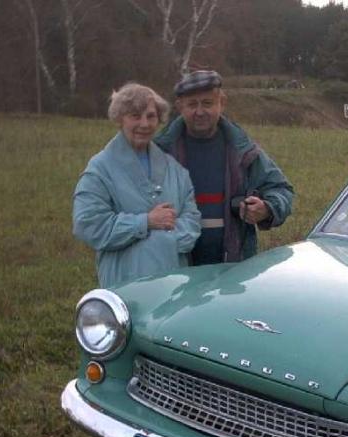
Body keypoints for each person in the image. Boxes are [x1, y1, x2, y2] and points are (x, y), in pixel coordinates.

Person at [154, 70, 294, 265]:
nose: (200, 112)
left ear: (222, 102)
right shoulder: (158, 153)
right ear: (180, 107)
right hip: (174, 268)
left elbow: (281, 190)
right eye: (192, 104)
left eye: (207, 103)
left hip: (232, 271)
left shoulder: (243, 150)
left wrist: (267, 208)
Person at [73, 83, 201, 288]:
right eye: (135, 115)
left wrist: (166, 243)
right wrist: (145, 222)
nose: (144, 124)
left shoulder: (175, 170)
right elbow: (88, 225)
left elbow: (192, 219)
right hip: (125, 287)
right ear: (120, 118)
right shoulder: (99, 169)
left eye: (151, 116)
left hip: (174, 285)